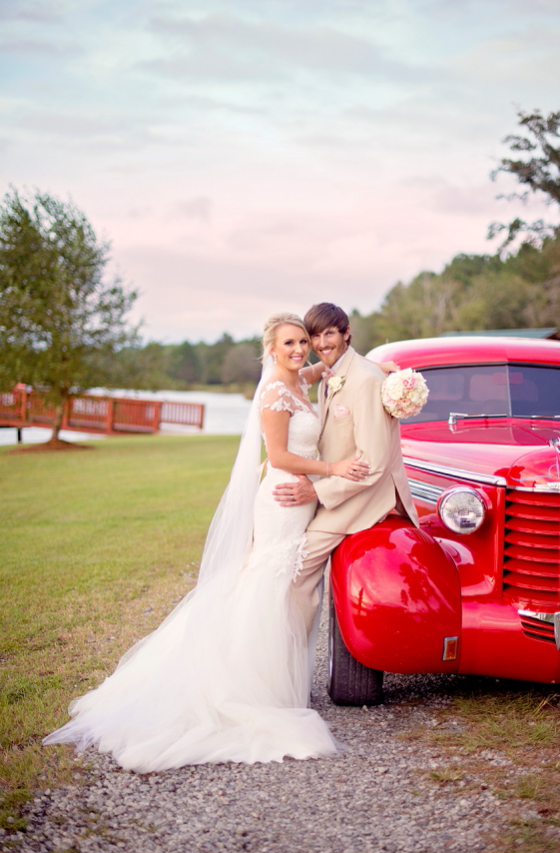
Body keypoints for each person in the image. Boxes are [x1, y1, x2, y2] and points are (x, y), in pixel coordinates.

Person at [43, 313, 371, 771]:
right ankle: (249, 687)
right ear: (271, 349)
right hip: (282, 497)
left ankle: (278, 684)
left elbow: (326, 371)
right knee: (266, 582)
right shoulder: (275, 391)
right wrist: (334, 469)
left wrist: (377, 369)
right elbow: (277, 455)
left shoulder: (297, 380)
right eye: (290, 343)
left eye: (303, 342)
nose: (300, 350)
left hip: (300, 502)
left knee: (282, 585)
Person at [273, 303, 419, 662]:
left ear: (346, 333)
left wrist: (316, 489)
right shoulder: (336, 373)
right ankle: (284, 658)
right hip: (341, 484)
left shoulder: (366, 379)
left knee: (298, 567)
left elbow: (373, 461)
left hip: (365, 494)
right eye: (315, 336)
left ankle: (289, 661)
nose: (322, 343)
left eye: (330, 334)